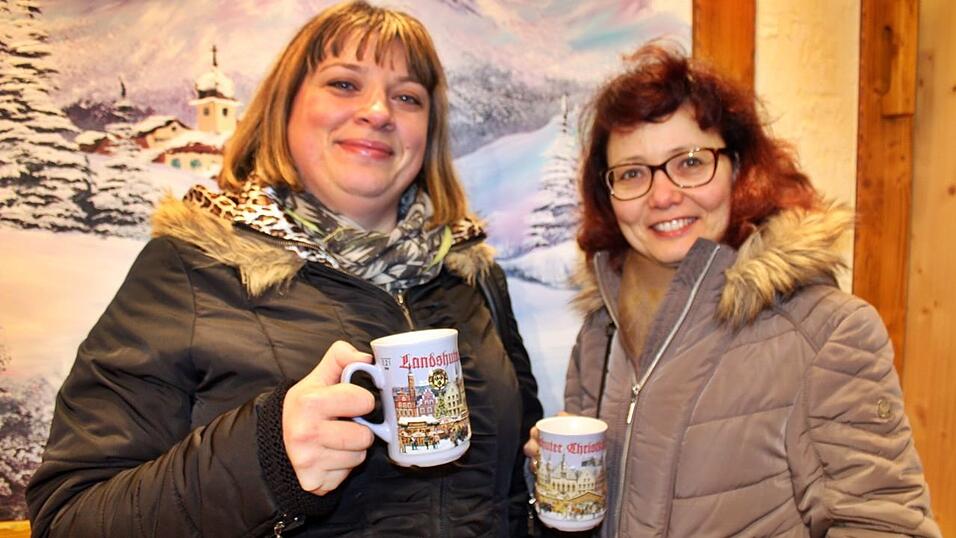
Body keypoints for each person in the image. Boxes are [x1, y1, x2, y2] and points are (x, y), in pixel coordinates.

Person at [27, 2, 542, 536]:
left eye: (407, 96)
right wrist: (266, 457)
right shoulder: (189, 265)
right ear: (285, 107)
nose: (378, 111)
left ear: (428, 132)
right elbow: (70, 517)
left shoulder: (471, 275)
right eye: (344, 84)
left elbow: (507, 490)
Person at [524, 44, 941, 537]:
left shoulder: (826, 332)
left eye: (690, 162)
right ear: (608, 194)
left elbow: (888, 526)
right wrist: (562, 489)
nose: (662, 195)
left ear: (739, 168)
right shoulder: (600, 336)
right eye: (632, 173)